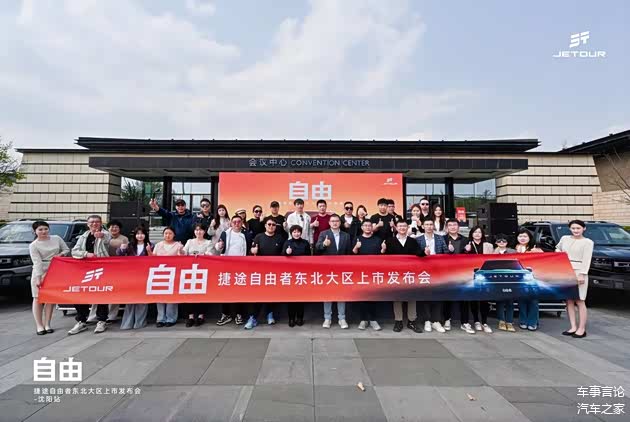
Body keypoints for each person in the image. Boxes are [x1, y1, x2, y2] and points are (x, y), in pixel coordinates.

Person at [68, 214, 111, 335]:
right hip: (84, 269)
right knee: (80, 293)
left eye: (97, 222)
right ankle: (81, 320)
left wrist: (101, 236)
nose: (94, 224)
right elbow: (74, 251)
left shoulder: (105, 234)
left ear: (101, 223)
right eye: (92, 222)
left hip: (101, 269)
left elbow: (108, 240)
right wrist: (86, 254)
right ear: (88, 224)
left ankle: (102, 320)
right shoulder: (83, 236)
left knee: (101, 293)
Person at [29, 221, 70, 335]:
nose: (43, 231)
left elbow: (66, 249)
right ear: (35, 231)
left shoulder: (56, 238)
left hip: (55, 270)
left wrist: (59, 255)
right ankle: (39, 325)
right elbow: (37, 263)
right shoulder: (34, 245)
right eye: (40, 229)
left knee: (50, 298)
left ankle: (47, 324)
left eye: (45, 229)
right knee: (37, 298)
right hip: (40, 271)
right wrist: (38, 278)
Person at [383, 219, 422, 333]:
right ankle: (398, 321)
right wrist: (383, 250)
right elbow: (384, 258)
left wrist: (425, 252)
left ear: (407, 227)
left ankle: (412, 321)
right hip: (395, 274)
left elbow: (419, 254)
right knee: (397, 297)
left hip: (410, 274)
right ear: (396, 227)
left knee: (412, 297)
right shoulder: (390, 241)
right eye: (400, 226)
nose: (402, 228)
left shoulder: (412, 241)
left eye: (404, 226)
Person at [556, 220, 594, 339]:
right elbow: (557, 249)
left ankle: (581, 328)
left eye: (578, 228)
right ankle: (573, 326)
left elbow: (587, 259)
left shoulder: (588, 242)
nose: (575, 230)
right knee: (569, 300)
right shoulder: (564, 238)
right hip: (565, 270)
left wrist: (582, 274)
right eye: (573, 228)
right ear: (570, 229)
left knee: (580, 300)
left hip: (579, 271)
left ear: (584, 229)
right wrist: (561, 254)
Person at [246, 216, 285, 329]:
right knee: (256, 295)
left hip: (274, 272)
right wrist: (252, 251)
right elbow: (251, 253)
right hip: (259, 272)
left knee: (271, 294)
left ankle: (270, 314)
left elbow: (283, 254)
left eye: (273, 225)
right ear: (265, 226)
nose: (271, 226)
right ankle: (253, 318)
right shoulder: (259, 237)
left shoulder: (279, 238)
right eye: (269, 224)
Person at [215, 214, 252, 326]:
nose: (236, 224)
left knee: (239, 291)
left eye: (239, 222)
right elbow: (219, 247)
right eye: (234, 222)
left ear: (242, 223)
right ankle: (225, 314)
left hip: (241, 266)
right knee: (225, 291)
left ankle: (238, 314)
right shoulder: (225, 233)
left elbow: (249, 248)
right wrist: (219, 246)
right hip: (226, 266)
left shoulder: (246, 234)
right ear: (231, 223)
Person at [316, 214, 351, 329]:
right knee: (328, 294)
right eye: (332, 221)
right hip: (327, 269)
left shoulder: (346, 236)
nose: (335, 223)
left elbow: (348, 253)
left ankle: (342, 318)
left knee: (341, 294)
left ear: (340, 223)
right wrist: (323, 245)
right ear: (329, 223)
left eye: (337, 221)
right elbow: (317, 248)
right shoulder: (323, 234)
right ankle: (327, 318)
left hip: (342, 269)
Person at [116, 226, 153, 330]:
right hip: (131, 276)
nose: (140, 236)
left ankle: (140, 322)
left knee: (142, 299)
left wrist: (149, 251)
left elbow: (154, 259)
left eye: (142, 233)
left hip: (145, 275)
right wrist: (122, 248)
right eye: (138, 234)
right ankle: (127, 323)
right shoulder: (130, 245)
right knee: (131, 299)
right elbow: (119, 254)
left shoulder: (150, 245)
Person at [442, 219, 474, 334]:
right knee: (447, 298)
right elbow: (439, 255)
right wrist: (449, 251)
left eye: (454, 225)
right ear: (447, 227)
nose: (452, 227)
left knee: (464, 298)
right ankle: (447, 320)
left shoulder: (466, 240)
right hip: (447, 273)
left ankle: (464, 322)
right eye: (450, 225)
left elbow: (471, 257)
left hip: (462, 273)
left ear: (458, 227)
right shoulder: (443, 239)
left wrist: (467, 251)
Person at [93, 219, 128, 323]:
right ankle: (94, 315)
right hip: (102, 268)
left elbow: (126, 252)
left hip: (117, 268)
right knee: (99, 291)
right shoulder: (102, 236)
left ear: (119, 229)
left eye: (116, 227)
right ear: (108, 228)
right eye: (112, 227)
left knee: (114, 291)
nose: (114, 229)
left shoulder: (124, 239)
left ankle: (112, 316)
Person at [416, 219, 447, 333]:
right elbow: (415, 255)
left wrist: (450, 250)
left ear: (433, 226)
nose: (429, 226)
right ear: (423, 226)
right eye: (427, 225)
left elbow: (446, 253)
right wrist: (424, 254)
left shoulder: (440, 238)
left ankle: (436, 321)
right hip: (423, 271)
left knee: (437, 296)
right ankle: (427, 320)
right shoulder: (418, 240)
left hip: (438, 271)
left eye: (431, 224)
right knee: (425, 296)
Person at [352, 220, 382, 331]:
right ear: (362, 227)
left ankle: (373, 320)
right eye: (365, 225)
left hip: (374, 272)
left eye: (369, 225)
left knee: (373, 296)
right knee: (363, 297)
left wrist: (383, 249)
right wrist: (356, 247)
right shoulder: (357, 239)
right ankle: (363, 320)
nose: (368, 227)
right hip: (361, 273)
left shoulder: (377, 240)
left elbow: (381, 256)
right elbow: (351, 255)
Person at [182, 223, 213, 327]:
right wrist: (181, 250)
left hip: (203, 271)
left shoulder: (208, 242)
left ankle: (200, 315)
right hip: (190, 271)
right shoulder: (189, 241)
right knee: (189, 294)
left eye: (200, 230)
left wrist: (202, 255)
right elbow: (184, 253)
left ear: (204, 231)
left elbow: (210, 254)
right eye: (196, 230)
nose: (198, 232)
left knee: (202, 294)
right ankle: (190, 316)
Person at [464, 226, 494, 334]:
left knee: (484, 300)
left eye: (479, 232)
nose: (477, 234)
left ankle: (484, 322)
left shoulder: (489, 245)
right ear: (471, 234)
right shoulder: (467, 245)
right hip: (472, 275)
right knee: (474, 299)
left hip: (485, 276)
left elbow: (492, 260)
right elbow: (462, 260)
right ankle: (476, 320)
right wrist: (466, 251)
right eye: (475, 232)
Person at [153, 227, 184, 327]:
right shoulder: (158, 245)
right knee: (159, 297)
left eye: (170, 233)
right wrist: (149, 251)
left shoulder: (178, 245)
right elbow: (152, 259)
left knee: (171, 297)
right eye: (166, 233)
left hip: (173, 274)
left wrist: (181, 252)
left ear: (174, 234)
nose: (168, 235)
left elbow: (182, 259)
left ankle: (171, 318)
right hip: (159, 273)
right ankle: (160, 318)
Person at [515, 227, 544, 331]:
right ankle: (523, 321)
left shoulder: (536, 249)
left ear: (529, 238)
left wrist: (538, 253)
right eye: (520, 236)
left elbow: (544, 260)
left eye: (525, 236)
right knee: (521, 301)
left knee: (533, 301)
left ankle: (533, 322)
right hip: (519, 278)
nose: (522, 238)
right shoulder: (514, 248)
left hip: (533, 278)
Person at [283, 225, 312, 327]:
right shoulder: (287, 242)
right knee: (291, 298)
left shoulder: (305, 243)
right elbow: (282, 256)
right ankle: (291, 318)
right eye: (294, 232)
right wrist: (287, 253)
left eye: (298, 232)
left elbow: (309, 257)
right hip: (290, 274)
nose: (296, 234)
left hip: (302, 274)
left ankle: (300, 318)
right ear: (291, 233)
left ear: (301, 233)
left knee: (300, 297)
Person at [493, 234, 517, 332]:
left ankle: (509, 321)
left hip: (511, 279)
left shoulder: (513, 252)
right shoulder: (492, 252)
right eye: (499, 240)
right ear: (496, 242)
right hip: (497, 279)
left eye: (504, 240)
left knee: (510, 301)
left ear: (507, 242)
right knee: (500, 301)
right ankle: (501, 321)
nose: (502, 242)